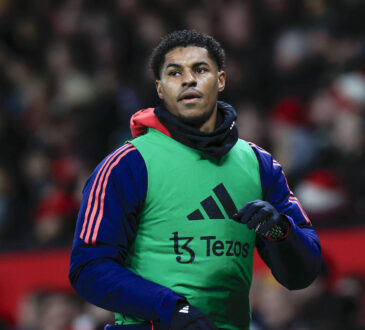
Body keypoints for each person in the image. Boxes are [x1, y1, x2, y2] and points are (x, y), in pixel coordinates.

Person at [69, 30, 321, 330]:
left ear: (221, 80)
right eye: (175, 73)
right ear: (160, 89)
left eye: (200, 69)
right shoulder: (127, 164)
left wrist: (282, 231)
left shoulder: (259, 164)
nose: (188, 80)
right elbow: (89, 268)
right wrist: (170, 309)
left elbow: (303, 274)